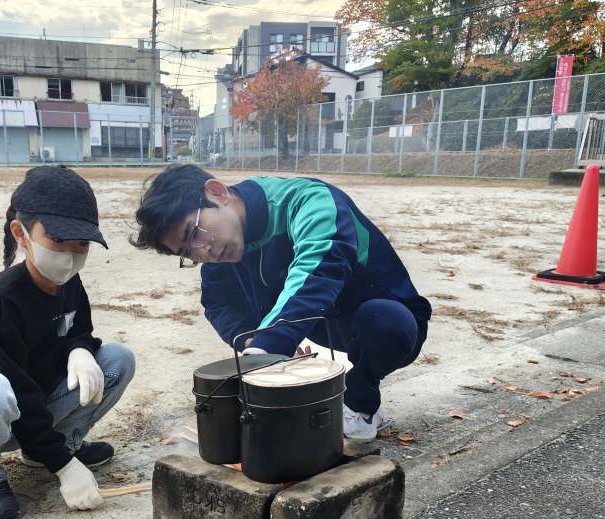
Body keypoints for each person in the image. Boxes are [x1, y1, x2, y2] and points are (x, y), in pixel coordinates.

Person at [131, 164, 430, 441]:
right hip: (323, 324)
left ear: (217, 192)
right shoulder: (218, 245)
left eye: (194, 233)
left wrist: (268, 345)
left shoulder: (308, 201)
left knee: (385, 321)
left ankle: (361, 403)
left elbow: (319, 270)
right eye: (187, 252)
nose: (202, 251)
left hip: (387, 320)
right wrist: (250, 340)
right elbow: (219, 304)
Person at [0, 166, 135, 519]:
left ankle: (49, 448)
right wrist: (64, 468)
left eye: (82, 244)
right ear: (20, 233)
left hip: (29, 410)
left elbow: (79, 331)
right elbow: (16, 388)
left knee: (117, 359)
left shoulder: (69, 281)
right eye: (57, 241)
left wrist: (79, 350)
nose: (70, 256)